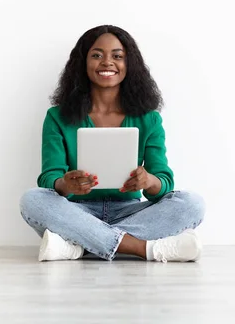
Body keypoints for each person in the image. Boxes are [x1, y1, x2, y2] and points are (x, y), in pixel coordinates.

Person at [19, 25, 205, 262]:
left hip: (128, 210)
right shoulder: (57, 117)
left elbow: (165, 184)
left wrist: (148, 180)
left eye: (117, 56)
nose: (107, 62)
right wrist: (65, 184)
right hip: (77, 211)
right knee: (33, 199)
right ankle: (144, 249)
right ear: (83, 63)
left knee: (191, 204)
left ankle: (77, 245)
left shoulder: (149, 118)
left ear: (129, 64)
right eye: (97, 55)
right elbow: (48, 179)